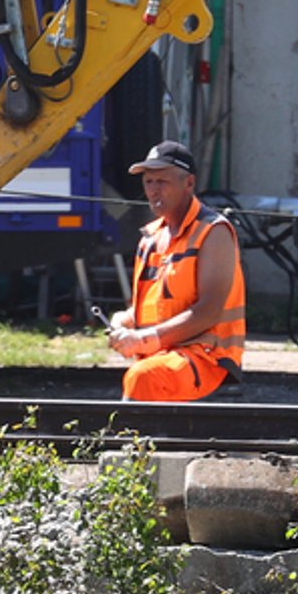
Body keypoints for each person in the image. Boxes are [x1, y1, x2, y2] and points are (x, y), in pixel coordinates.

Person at [109, 140, 247, 401]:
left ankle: (132, 442)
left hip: (206, 357)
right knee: (143, 375)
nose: (153, 190)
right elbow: (149, 309)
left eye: (162, 181)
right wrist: (121, 322)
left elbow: (208, 311)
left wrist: (145, 339)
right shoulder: (150, 239)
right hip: (163, 355)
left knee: (143, 378)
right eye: (148, 182)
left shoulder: (213, 232)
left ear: (189, 183)